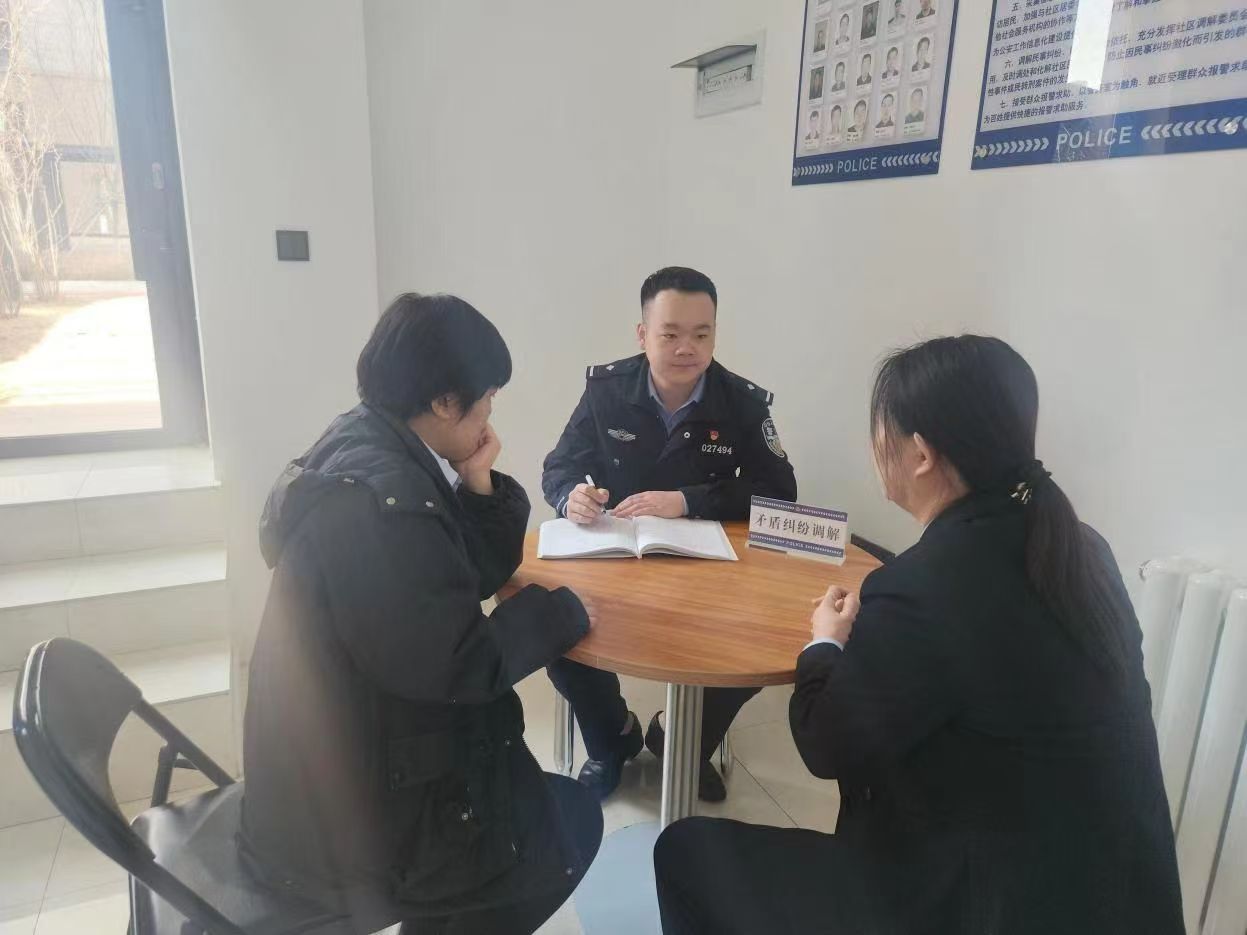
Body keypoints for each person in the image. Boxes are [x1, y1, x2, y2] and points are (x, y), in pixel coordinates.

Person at [653, 335, 1184, 934]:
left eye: (880, 430)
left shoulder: (925, 588)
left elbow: (824, 744)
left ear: (922, 454)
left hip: (972, 906)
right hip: (1117, 901)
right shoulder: (1080, 550)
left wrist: (825, 642)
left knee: (684, 853)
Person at [240, 294, 603, 934]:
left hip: (332, 768)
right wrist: (563, 612)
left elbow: (451, 577)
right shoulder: (383, 508)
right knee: (565, 830)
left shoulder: (362, 444)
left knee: (540, 801)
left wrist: (478, 480)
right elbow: (460, 666)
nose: (490, 416)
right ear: (442, 401)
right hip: (346, 823)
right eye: (487, 400)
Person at [542, 267, 798, 804]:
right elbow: (559, 466)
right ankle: (612, 737)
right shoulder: (607, 390)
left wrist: (687, 501)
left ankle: (682, 741)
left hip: (706, 564)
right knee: (555, 635)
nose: (687, 348)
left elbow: (780, 494)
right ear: (643, 335)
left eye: (702, 334)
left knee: (755, 649)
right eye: (671, 334)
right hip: (617, 557)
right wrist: (571, 497)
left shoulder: (742, 402)